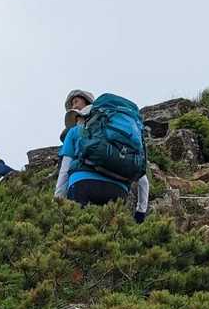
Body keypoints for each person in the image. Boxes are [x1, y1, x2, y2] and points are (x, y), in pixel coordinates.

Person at [54, 93, 150, 222]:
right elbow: (142, 179)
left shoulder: (74, 132)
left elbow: (64, 170)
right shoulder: (120, 134)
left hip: (83, 184)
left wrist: (58, 203)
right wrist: (140, 212)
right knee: (110, 232)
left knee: (79, 230)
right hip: (118, 191)